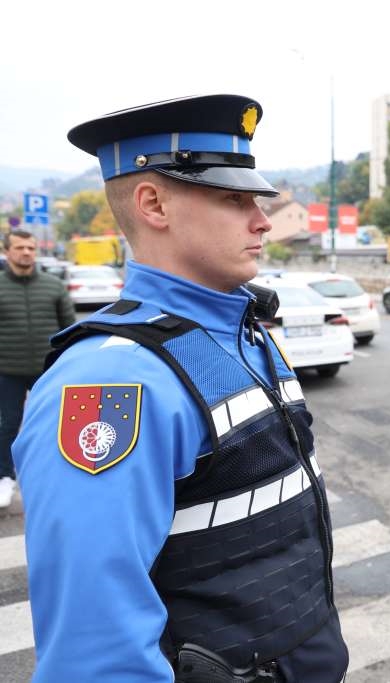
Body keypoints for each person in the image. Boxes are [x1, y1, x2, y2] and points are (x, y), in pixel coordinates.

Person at [13, 95, 349, 682]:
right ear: (153, 204)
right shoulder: (111, 380)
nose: (263, 219)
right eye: (232, 198)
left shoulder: (244, 332)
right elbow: (95, 654)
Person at [0, 229, 75, 509]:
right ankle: (5, 478)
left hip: (48, 371)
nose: (27, 252)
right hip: (7, 370)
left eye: (31, 247)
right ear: (7, 251)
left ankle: (55, 477)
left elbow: (70, 330)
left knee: (56, 425)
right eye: (20, 247)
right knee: (6, 426)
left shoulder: (53, 286)